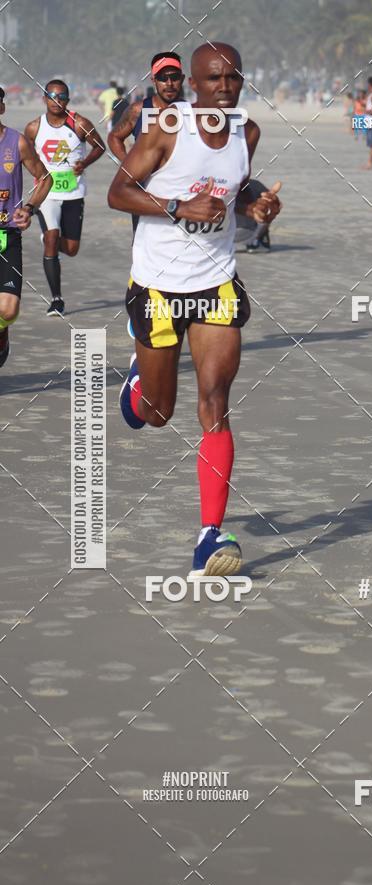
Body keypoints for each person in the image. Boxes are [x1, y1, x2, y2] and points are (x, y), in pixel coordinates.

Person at [108, 42, 282, 576]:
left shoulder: (245, 132)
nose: (224, 87)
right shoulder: (165, 128)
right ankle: (139, 389)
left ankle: (210, 536)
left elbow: (238, 185)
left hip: (215, 284)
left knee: (215, 401)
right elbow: (118, 192)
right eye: (214, 78)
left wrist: (256, 203)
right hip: (159, 285)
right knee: (159, 414)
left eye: (233, 77)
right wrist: (176, 206)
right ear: (195, 82)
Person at [25, 79, 105, 316]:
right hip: (46, 193)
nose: (56, 101)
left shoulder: (79, 123)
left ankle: (51, 239)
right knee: (52, 238)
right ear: (44, 99)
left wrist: (84, 163)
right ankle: (56, 299)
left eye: (61, 97)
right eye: (51, 96)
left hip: (73, 193)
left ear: (68, 100)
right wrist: (37, 175)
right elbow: (27, 156)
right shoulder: (34, 127)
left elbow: (100, 146)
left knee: (71, 249)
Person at [0, 86, 52, 366]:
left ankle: (2, 333)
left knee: (8, 310)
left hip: (8, 234)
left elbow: (45, 178)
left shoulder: (16, 142)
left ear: (2, 108)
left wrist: (29, 208)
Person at [108, 52, 185, 234]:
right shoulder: (138, 110)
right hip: (144, 192)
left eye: (174, 77)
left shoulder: (191, 112)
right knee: (143, 243)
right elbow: (114, 137)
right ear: (153, 80)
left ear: (181, 79)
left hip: (178, 191)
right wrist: (128, 165)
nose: (169, 83)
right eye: (162, 78)